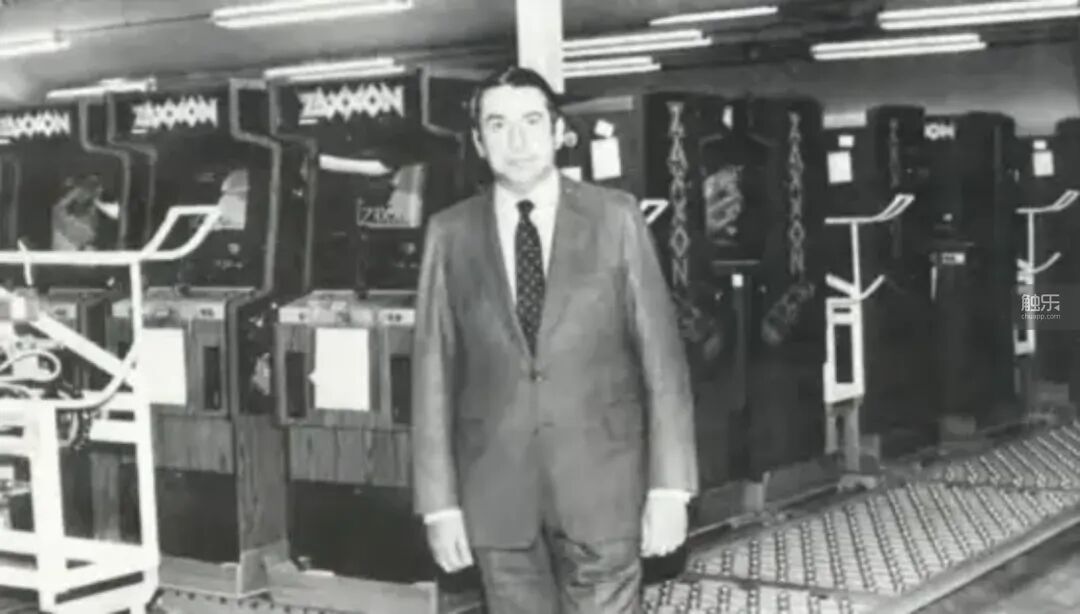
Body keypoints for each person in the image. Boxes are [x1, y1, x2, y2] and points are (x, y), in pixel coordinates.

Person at [412, 66, 698, 613]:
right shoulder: (449, 234)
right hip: (496, 497)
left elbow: (663, 362)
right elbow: (432, 375)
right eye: (498, 125)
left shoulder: (615, 218)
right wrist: (439, 506)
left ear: (559, 132)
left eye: (531, 122)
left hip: (606, 491)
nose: (517, 141)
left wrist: (670, 488)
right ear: (478, 142)